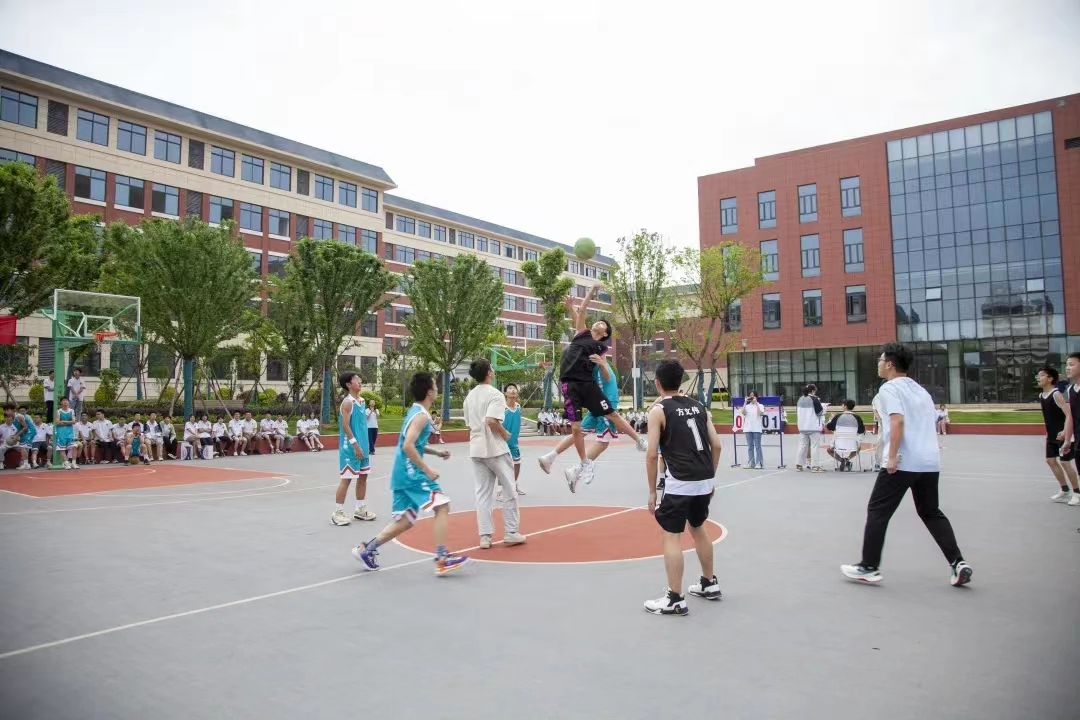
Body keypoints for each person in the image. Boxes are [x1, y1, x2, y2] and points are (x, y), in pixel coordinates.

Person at [841, 343, 972, 587]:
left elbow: (897, 421)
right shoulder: (921, 390)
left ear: (889, 364)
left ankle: (869, 566)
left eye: (880, 360)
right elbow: (934, 419)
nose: (878, 364)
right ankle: (958, 562)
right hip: (929, 462)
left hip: (902, 461)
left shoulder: (889, 389)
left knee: (878, 511)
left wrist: (891, 456)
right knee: (931, 512)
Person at [353, 372, 469, 576]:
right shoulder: (422, 416)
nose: (437, 388)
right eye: (434, 385)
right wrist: (427, 469)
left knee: (405, 520)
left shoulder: (416, 411)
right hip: (410, 473)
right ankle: (442, 558)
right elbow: (408, 446)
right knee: (442, 506)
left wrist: (436, 452)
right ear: (429, 392)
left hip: (401, 472)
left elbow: (413, 444)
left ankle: (367, 549)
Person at [643, 359, 723, 616]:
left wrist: (653, 491)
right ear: (682, 382)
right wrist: (710, 478)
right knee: (698, 527)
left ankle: (675, 597)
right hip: (703, 477)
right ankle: (709, 583)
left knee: (671, 535)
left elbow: (652, 455)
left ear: (657, 383)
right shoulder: (700, 407)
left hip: (680, 480)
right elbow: (717, 445)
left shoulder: (658, 411)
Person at [556, 286, 646, 487]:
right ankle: (582, 464)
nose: (599, 323)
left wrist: (603, 364)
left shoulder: (601, 349)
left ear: (605, 334)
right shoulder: (582, 335)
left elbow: (606, 376)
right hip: (574, 385)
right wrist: (589, 293)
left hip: (589, 388)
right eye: (599, 321)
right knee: (580, 429)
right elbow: (583, 310)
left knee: (605, 420)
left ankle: (639, 442)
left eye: (603, 324)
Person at [539, 355, 646, 491]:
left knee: (578, 434)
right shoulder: (596, 360)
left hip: (597, 402)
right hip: (605, 402)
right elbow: (606, 377)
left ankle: (551, 457)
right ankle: (639, 441)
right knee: (604, 441)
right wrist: (602, 363)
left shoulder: (591, 363)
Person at [463, 358, 526, 549]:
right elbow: (491, 420)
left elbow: (469, 424)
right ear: (489, 372)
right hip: (495, 449)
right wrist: (504, 432)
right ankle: (511, 531)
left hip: (476, 449)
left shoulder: (469, 397)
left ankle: (485, 536)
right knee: (509, 489)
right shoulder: (496, 395)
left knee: (483, 493)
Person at [332, 371, 375, 526]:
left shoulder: (362, 401)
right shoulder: (347, 403)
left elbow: (361, 425)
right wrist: (355, 445)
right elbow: (345, 426)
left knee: (363, 477)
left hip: (362, 448)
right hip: (351, 448)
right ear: (349, 385)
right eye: (357, 380)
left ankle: (360, 510)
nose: (360, 381)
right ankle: (337, 513)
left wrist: (364, 446)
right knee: (347, 480)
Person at [1038, 367, 1079, 505]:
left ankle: (1077, 492)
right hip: (1051, 435)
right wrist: (1047, 433)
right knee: (1050, 460)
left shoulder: (1056, 394)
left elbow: (1068, 414)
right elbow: (1048, 418)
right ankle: (1064, 490)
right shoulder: (1041, 396)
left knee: (1065, 462)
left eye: (1042, 375)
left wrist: (1065, 432)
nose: (1038, 377)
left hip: (1062, 434)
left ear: (1050, 379)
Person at [496, 383, 525, 501]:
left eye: (514, 389)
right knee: (502, 467)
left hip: (514, 442)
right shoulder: (502, 408)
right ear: (505, 393)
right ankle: (500, 490)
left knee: (517, 464)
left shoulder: (518, 407)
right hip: (502, 442)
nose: (512, 390)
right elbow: (496, 423)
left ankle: (514, 485)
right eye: (510, 389)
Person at [823, 399, 866, 471]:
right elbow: (861, 430)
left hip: (838, 444)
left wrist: (831, 418)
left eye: (842, 405)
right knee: (858, 449)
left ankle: (842, 460)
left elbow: (829, 427)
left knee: (829, 450)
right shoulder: (857, 418)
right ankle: (847, 459)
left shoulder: (837, 417)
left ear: (845, 406)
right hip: (853, 445)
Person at [4, 405, 34, 470]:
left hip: (30, 431)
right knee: (24, 447)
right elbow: (19, 428)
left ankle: (25, 464)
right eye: (5, 410)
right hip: (25, 431)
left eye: (7, 410)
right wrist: (14, 435)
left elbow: (25, 427)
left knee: (22, 447)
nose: (6, 412)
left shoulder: (19, 416)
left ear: (12, 410)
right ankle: (27, 464)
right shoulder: (13, 418)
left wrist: (17, 436)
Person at [740, 392, 765, 470]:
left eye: (753, 396)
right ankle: (751, 462)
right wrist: (745, 401)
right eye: (750, 396)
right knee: (750, 447)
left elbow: (760, 413)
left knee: (758, 446)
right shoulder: (747, 406)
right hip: (748, 428)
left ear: (756, 397)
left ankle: (759, 463)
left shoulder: (760, 405)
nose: (752, 397)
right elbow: (743, 412)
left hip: (757, 429)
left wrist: (756, 404)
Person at [53, 397, 78, 470]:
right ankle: (66, 463)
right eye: (63, 401)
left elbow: (73, 421)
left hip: (70, 432)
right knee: (62, 449)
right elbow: (57, 422)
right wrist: (69, 422)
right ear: (61, 402)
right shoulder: (58, 411)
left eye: (66, 400)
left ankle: (73, 463)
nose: (65, 402)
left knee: (74, 447)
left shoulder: (72, 411)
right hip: (61, 432)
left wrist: (63, 422)